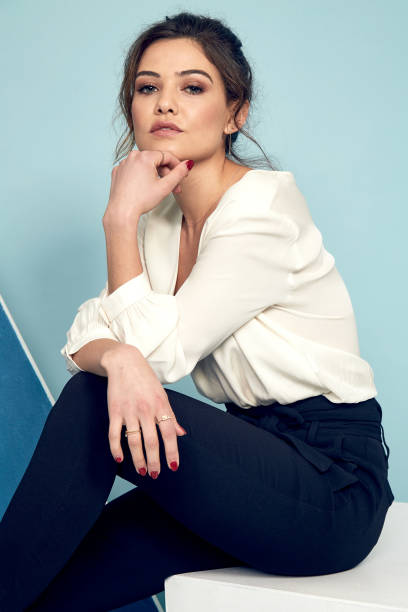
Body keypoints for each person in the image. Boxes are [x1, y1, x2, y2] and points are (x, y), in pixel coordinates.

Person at [0, 11, 394, 611]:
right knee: (53, 585)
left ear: (236, 113)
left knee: (90, 402)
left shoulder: (263, 211)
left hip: (330, 485)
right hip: (250, 464)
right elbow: (84, 339)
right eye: (147, 87)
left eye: (192, 87)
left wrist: (118, 220)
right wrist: (120, 358)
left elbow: (160, 355)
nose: (165, 103)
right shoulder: (161, 218)